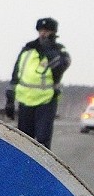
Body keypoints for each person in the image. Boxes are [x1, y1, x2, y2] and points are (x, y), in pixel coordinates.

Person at [5, 17, 70, 148]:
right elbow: (15, 75)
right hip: (25, 100)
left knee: (42, 141)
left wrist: (50, 51)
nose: (43, 33)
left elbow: (61, 67)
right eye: (41, 30)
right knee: (23, 142)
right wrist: (10, 101)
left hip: (46, 101)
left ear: (53, 32)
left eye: (47, 31)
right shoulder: (28, 49)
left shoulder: (58, 51)